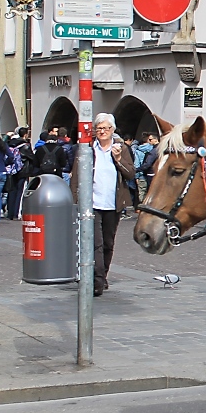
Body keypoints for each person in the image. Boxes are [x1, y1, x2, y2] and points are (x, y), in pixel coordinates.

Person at [71, 113, 136, 297]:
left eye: (106, 128)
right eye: (99, 128)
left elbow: (131, 173)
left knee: (108, 243)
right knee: (96, 243)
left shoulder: (121, 149)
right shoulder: (88, 149)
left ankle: (103, 275)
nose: (102, 132)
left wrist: (118, 160)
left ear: (112, 130)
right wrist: (76, 198)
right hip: (92, 203)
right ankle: (97, 281)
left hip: (113, 203)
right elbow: (76, 174)